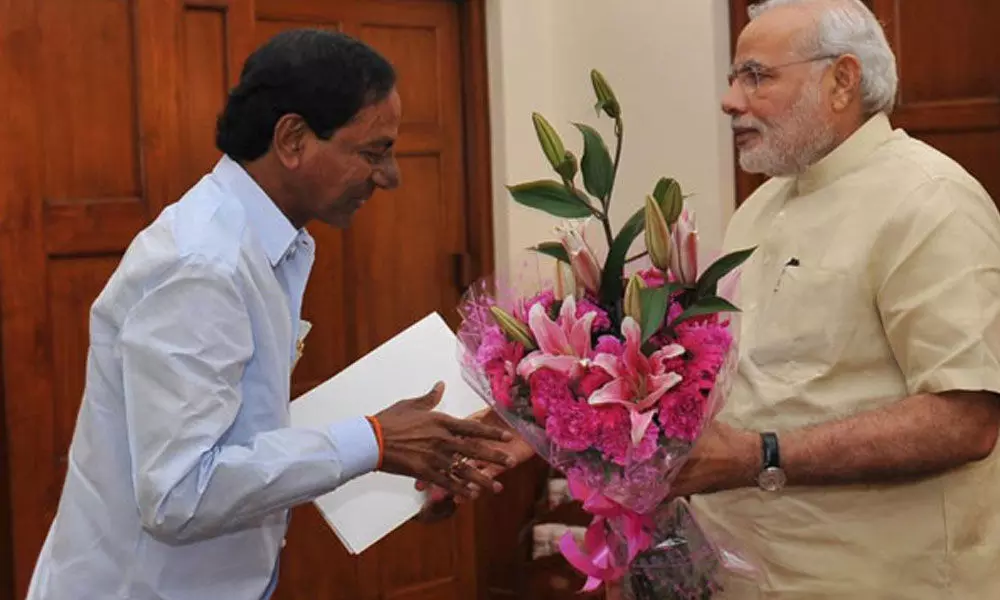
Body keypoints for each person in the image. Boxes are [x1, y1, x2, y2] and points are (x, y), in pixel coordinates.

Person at [430, 0, 1000, 597]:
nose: (730, 100)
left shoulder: (930, 201)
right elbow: (728, 387)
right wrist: (541, 428)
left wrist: (761, 455)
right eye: (734, 78)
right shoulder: (764, 205)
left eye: (756, 76)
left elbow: (964, 419)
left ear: (842, 80)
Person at [26, 29, 516, 600]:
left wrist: (399, 452)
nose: (390, 176)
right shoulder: (202, 264)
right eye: (373, 151)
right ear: (293, 139)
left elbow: (241, 433)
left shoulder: (273, 244)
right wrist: (373, 441)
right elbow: (179, 493)